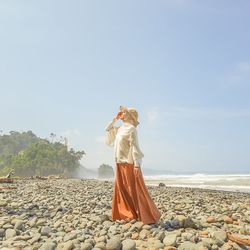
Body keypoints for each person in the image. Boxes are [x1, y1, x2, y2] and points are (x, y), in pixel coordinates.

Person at [105, 106, 161, 224]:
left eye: (124, 112)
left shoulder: (131, 129)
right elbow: (107, 129)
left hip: (129, 163)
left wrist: (137, 164)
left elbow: (135, 147)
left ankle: (146, 214)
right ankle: (126, 214)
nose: (122, 113)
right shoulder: (120, 129)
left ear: (130, 115)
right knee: (122, 189)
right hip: (119, 162)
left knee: (134, 190)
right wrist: (115, 118)